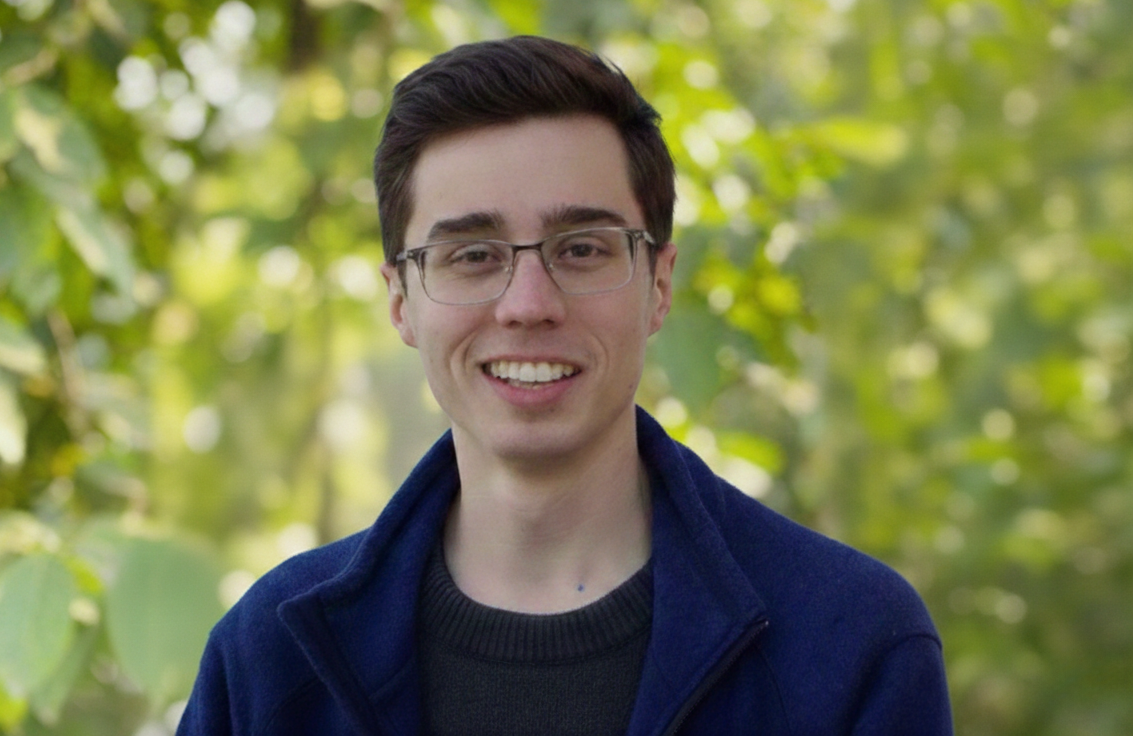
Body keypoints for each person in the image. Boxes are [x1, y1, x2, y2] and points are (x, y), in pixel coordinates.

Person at [177, 36, 952, 735]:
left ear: (658, 283)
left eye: (581, 249)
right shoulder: (269, 663)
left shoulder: (854, 645)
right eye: (472, 255)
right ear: (400, 301)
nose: (528, 306)